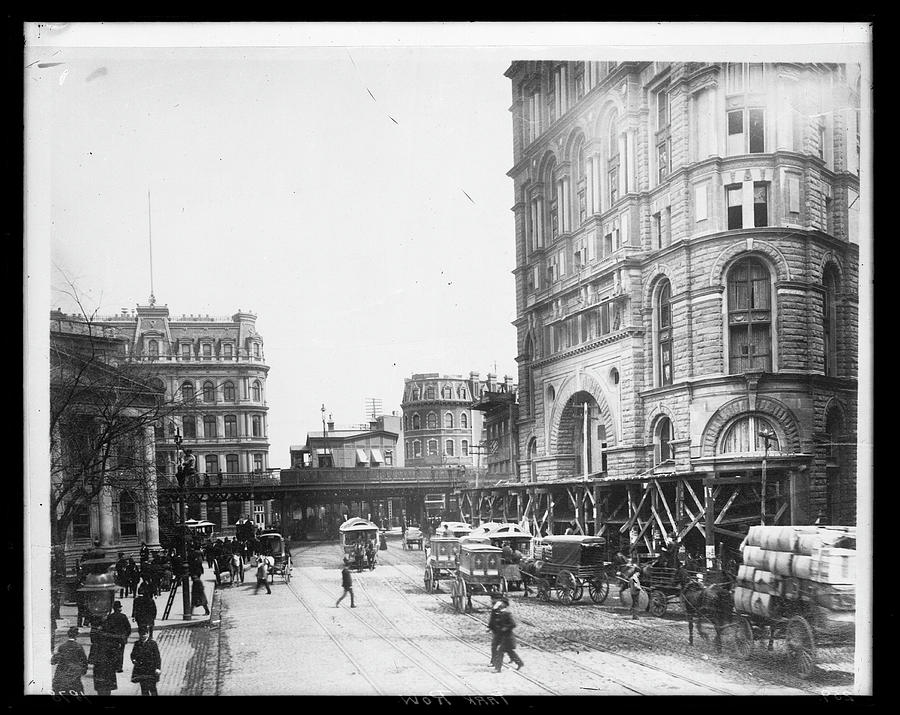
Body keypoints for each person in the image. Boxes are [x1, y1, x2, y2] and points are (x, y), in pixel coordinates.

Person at [488, 596, 523, 672]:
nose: (496, 612)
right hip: (504, 636)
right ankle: (519, 663)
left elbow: (513, 624)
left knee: (501, 652)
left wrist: (504, 628)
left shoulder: (506, 614)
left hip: (508, 637)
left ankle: (498, 668)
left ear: (501, 608)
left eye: (498, 609)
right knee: (509, 651)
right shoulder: (501, 614)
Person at [51, 626, 88, 695]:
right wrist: (83, 670)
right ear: (76, 635)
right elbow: (84, 661)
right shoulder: (79, 646)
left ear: (68, 635)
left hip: (62, 674)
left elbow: (54, 660)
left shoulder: (62, 646)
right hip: (75, 674)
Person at [130, 626, 161, 696]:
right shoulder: (137, 644)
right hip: (141, 669)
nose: (143, 636)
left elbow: (157, 657)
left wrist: (158, 668)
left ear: (147, 634)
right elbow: (133, 654)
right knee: (144, 689)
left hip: (151, 669)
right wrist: (133, 659)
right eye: (141, 634)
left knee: (152, 688)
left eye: (144, 634)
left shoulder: (153, 644)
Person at [91, 619, 118, 696]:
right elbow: (115, 654)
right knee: (108, 687)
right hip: (109, 666)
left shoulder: (96, 639)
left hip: (99, 666)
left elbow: (93, 653)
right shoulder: (112, 639)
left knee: (100, 687)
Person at [105, 600, 132, 673]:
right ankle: (119, 667)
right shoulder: (123, 616)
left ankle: (113, 666)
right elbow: (128, 628)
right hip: (121, 638)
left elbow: (106, 628)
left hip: (112, 638)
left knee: (113, 652)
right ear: (119, 608)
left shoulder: (110, 617)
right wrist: (126, 636)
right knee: (120, 653)